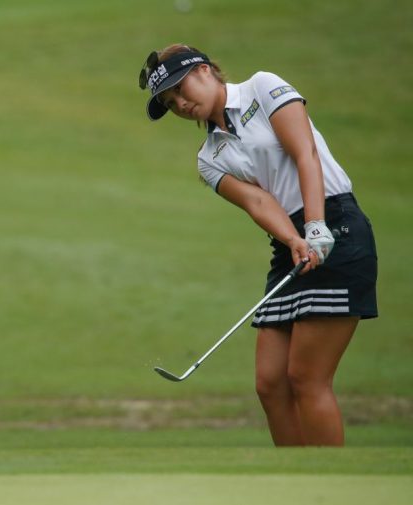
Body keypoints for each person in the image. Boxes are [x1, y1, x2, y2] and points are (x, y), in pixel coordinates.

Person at [139, 44, 378, 446]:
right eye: (170, 101)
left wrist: (316, 226)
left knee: (306, 378)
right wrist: (293, 239)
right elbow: (258, 201)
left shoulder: (261, 88)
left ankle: (333, 483)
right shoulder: (209, 158)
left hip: (337, 228)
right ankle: (294, 484)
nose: (180, 103)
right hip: (290, 244)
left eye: (181, 89)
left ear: (205, 71)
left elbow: (305, 153)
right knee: (270, 383)